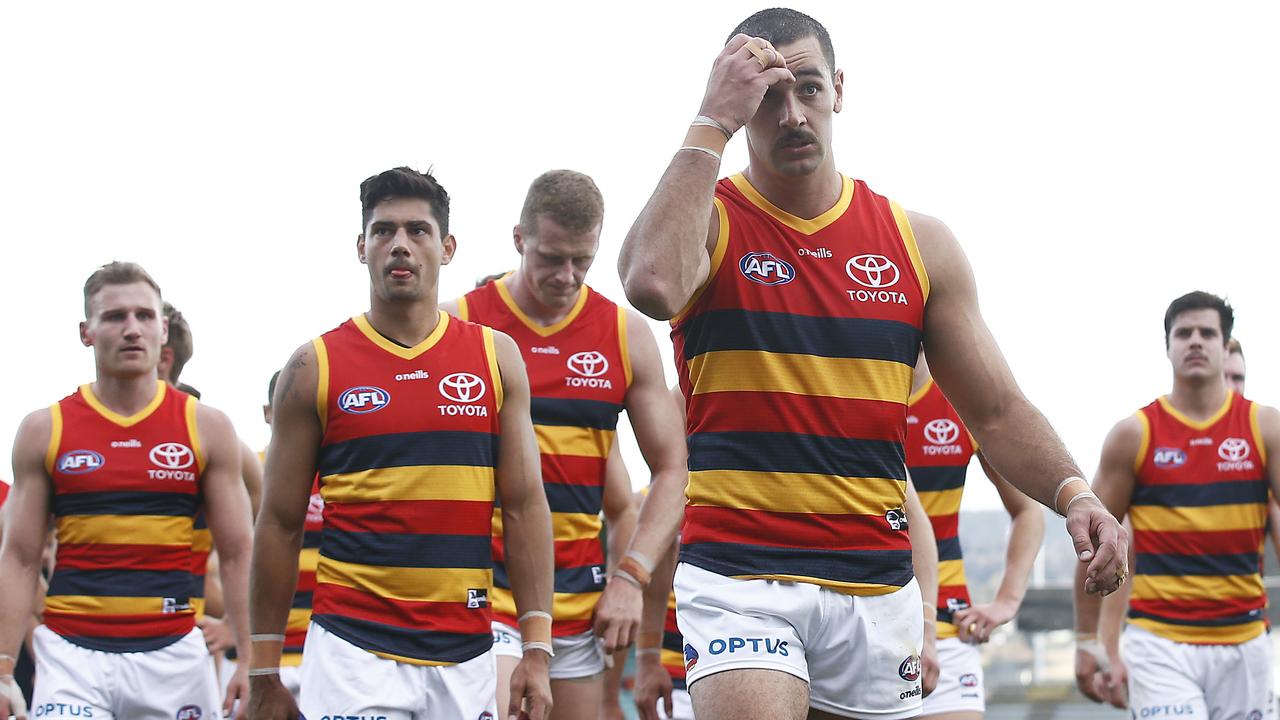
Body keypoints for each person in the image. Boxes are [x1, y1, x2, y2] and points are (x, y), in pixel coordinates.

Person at [614, 9, 1126, 719]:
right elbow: (651, 284)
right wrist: (710, 120)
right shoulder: (712, 219)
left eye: (809, 90)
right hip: (740, 576)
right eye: (767, 98)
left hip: (877, 586)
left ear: (840, 90)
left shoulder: (918, 244)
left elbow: (998, 411)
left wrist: (1077, 496)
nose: (792, 115)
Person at [249, 166, 556, 720]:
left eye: (417, 231)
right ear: (361, 247)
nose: (400, 245)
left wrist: (536, 647)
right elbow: (278, 522)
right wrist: (263, 669)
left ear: (447, 247)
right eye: (383, 230)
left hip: (466, 653)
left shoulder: (497, 357)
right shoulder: (313, 366)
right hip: (350, 650)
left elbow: (525, 504)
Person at [444, 168, 687, 720]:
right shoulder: (461, 322)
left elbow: (674, 469)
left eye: (583, 260)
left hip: (579, 598)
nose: (567, 275)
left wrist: (631, 576)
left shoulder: (623, 333)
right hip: (485, 595)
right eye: (551, 258)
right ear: (518, 240)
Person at [0, 261, 254, 719]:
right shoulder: (45, 429)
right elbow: (19, 556)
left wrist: (254, 659)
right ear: (86, 332)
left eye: (144, 316)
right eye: (115, 317)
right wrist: (2, 670)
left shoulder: (207, 427)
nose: (132, 329)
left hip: (174, 654)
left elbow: (238, 553)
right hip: (70, 658)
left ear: (163, 329)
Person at [1074, 291, 1280, 719]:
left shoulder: (1265, 427)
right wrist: (1087, 641)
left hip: (1244, 640)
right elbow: (1096, 546)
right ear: (1167, 346)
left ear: (1227, 347)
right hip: (1160, 644)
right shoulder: (1133, 434)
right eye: (1183, 333)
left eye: (1208, 332)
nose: (1195, 341)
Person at [907, 352, 1044, 719]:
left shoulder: (959, 403)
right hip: (859, 616)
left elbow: (1029, 510)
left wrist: (1007, 601)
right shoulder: (846, 393)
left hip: (948, 624)